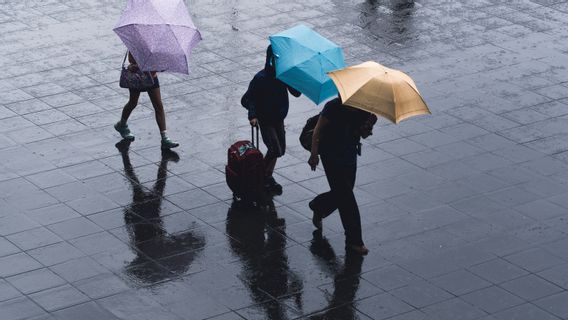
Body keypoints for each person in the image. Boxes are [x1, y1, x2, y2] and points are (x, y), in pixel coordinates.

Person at [308, 97, 377, 255]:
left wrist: (369, 124)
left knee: (344, 193)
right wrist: (314, 153)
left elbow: (363, 134)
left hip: (349, 156)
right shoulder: (332, 107)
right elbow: (318, 130)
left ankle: (319, 206)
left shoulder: (363, 108)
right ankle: (354, 241)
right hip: (331, 156)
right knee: (347, 199)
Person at [241, 45, 301, 194]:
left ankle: (267, 176)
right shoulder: (260, 78)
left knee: (280, 150)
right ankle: (261, 176)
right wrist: (253, 115)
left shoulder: (283, 77)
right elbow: (248, 99)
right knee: (274, 149)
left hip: (278, 118)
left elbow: (296, 93)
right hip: (265, 120)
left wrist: (293, 78)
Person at [114, 52, 179, 150]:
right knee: (133, 102)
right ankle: (122, 125)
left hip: (152, 77)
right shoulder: (136, 42)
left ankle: (164, 137)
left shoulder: (156, 45)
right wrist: (136, 66)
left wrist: (161, 65)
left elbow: (159, 62)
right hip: (137, 77)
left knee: (158, 106)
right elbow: (131, 59)